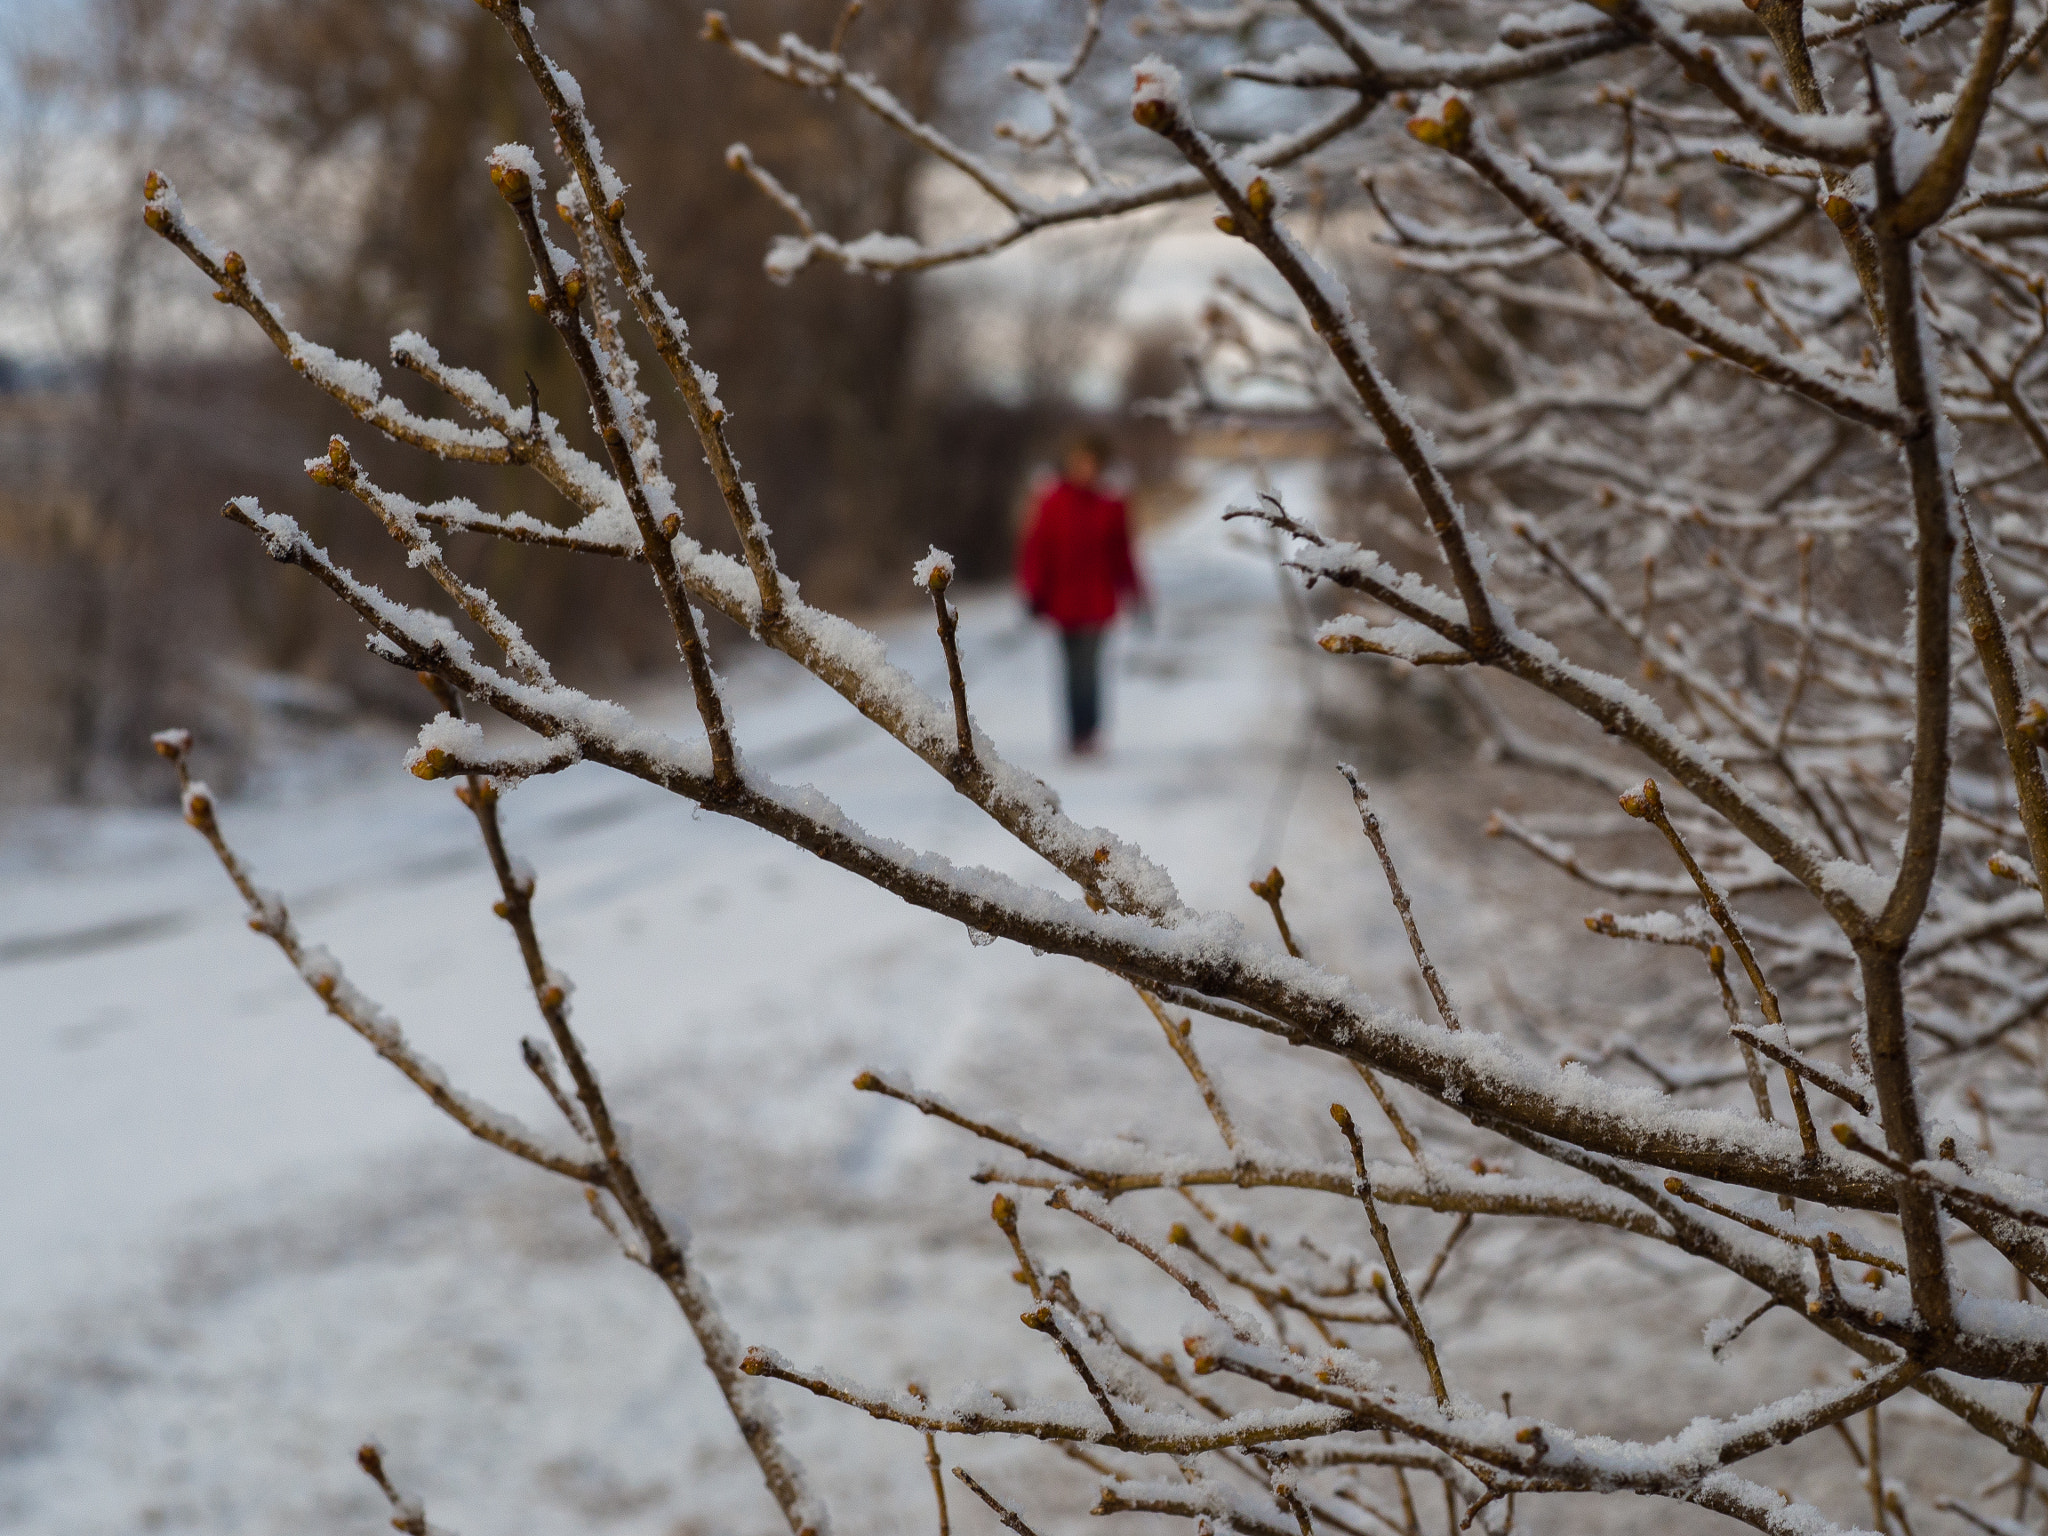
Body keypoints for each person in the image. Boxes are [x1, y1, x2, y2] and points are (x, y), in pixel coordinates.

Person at [1017, 433, 1145, 755]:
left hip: (1098, 601)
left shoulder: (1111, 505)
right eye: (1079, 463)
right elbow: (1037, 549)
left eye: (1090, 464)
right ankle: (1074, 733)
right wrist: (1032, 590)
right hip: (1061, 602)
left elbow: (1123, 554)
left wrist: (1136, 592)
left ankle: (1089, 733)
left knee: (1090, 668)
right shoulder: (1051, 501)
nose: (1085, 470)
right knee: (1070, 670)